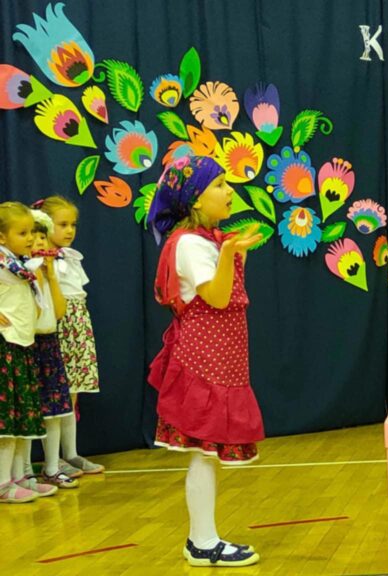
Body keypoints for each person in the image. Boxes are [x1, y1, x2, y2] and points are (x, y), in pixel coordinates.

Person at [146, 154, 264, 566]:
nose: (229, 191)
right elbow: (215, 297)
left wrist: (229, 251)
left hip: (221, 363)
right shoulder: (190, 244)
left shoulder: (205, 240)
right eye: (219, 185)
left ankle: (204, 538)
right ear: (196, 198)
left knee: (208, 456)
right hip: (204, 364)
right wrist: (229, 252)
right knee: (203, 454)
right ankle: (201, 541)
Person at [38, 196, 104, 476]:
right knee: (55, 394)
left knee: (72, 393)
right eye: (62, 224)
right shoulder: (39, 261)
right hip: (57, 326)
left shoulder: (71, 257)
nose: (69, 230)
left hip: (77, 325)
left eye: (73, 225)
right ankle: (52, 460)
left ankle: (71, 453)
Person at [0, 202, 47, 504]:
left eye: (31, 232)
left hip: (22, 344)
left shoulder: (20, 265)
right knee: (5, 422)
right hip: (5, 345)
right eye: (22, 233)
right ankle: (2, 483)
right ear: (2, 237)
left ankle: (18, 476)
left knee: (19, 418)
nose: (30, 238)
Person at [29, 210, 78, 489]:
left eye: (41, 238)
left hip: (50, 343)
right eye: (33, 238)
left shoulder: (49, 274)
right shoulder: (22, 273)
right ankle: (24, 472)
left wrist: (51, 278)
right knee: (28, 410)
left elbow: (58, 312)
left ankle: (52, 468)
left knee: (56, 409)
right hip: (27, 344)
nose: (38, 243)